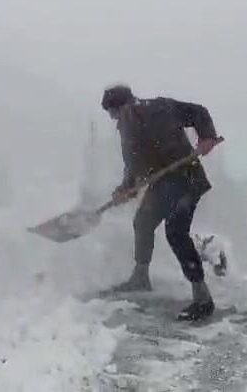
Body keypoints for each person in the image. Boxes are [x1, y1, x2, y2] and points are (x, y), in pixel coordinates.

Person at [101, 84, 223, 321]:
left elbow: (199, 112)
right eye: (113, 116)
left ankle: (203, 298)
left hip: (187, 179)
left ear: (127, 104)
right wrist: (124, 189)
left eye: (115, 113)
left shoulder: (161, 108)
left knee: (176, 231)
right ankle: (140, 277)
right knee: (142, 222)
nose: (116, 119)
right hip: (163, 185)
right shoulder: (127, 131)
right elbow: (134, 167)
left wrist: (206, 137)